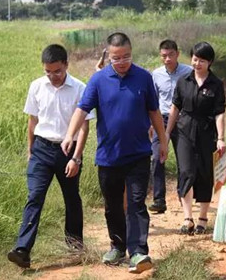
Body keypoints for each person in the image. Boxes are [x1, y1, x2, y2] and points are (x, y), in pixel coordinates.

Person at [61, 33, 168, 274]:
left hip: (139, 154)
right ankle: (118, 246)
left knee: (136, 202)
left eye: (126, 57)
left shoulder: (143, 78)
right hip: (108, 156)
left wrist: (163, 141)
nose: (121, 62)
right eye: (116, 58)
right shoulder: (98, 80)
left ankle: (139, 251)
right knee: (112, 206)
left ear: (132, 53)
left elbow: (154, 112)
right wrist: (70, 134)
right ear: (108, 56)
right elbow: (82, 109)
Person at [8, 44, 94, 268]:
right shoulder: (36, 86)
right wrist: (30, 150)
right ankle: (23, 250)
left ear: (66, 65)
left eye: (57, 71)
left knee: (71, 198)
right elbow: (32, 121)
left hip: (68, 151)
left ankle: (75, 247)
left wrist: (76, 158)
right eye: (48, 71)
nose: (53, 76)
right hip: (41, 150)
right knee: (34, 196)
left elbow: (84, 127)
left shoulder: (80, 88)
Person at [165, 42, 226, 235]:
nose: (197, 63)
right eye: (195, 59)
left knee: (204, 173)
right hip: (184, 130)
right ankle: (187, 217)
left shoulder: (216, 84)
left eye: (202, 60)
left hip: (207, 132)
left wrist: (221, 138)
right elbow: (175, 108)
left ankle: (203, 217)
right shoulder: (183, 81)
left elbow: (219, 113)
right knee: (186, 172)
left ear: (210, 62)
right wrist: (167, 132)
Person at [148, 39, 192, 213]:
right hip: (162, 119)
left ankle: (184, 195)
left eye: (171, 55)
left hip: (183, 120)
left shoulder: (188, 72)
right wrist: (150, 123)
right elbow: (152, 101)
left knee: (184, 159)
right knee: (157, 157)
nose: (168, 59)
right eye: (164, 56)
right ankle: (159, 199)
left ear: (177, 54)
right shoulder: (156, 74)